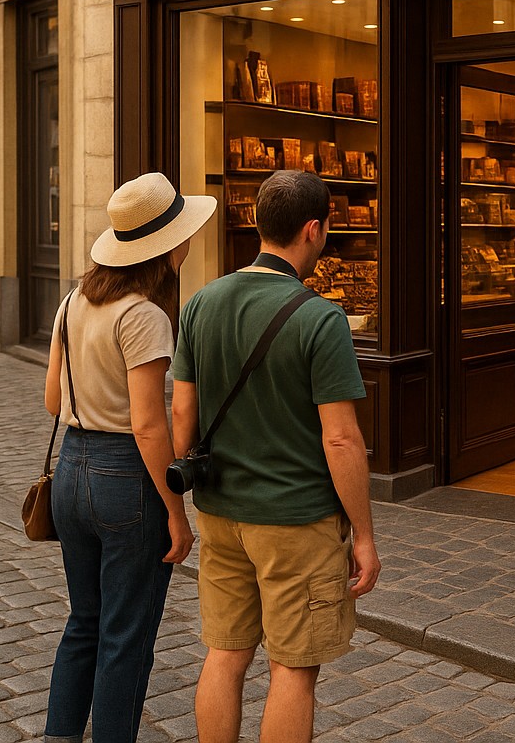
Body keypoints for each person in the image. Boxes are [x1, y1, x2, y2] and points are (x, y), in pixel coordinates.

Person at [172, 170, 380, 743]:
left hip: (219, 514)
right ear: (313, 229)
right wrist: (363, 534)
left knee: (225, 656)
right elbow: (340, 439)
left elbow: (181, 419)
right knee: (293, 669)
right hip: (295, 521)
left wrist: (177, 503)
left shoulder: (201, 303)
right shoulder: (319, 318)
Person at [42, 172, 216, 743]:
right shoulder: (144, 315)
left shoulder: (73, 302)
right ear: (165, 246)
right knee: (126, 633)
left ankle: (61, 735)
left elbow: (51, 400)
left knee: (84, 623)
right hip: (124, 479)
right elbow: (147, 424)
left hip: (71, 469)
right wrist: (175, 511)